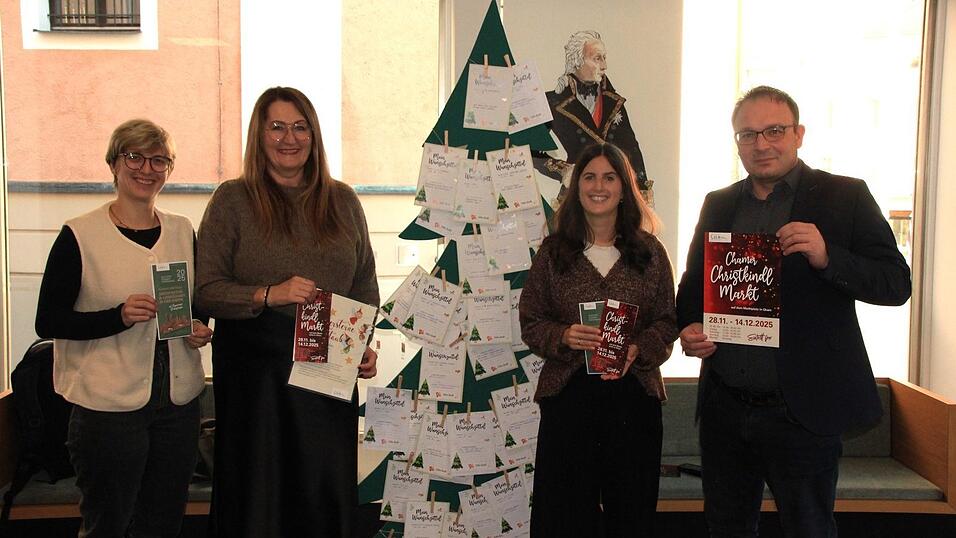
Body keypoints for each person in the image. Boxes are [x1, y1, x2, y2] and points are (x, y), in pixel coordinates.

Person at [675, 86, 911, 537]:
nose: (761, 144)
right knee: (725, 527)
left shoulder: (846, 196)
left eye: (774, 131)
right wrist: (689, 326)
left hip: (803, 413)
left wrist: (828, 257)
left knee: (809, 529)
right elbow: (691, 286)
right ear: (737, 142)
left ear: (798, 134)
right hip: (726, 409)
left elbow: (896, 284)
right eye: (748, 134)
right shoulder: (718, 203)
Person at [196, 86, 379, 537]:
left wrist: (362, 346)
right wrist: (266, 295)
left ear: (313, 137)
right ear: (259, 135)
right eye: (276, 127)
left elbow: (364, 289)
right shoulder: (232, 200)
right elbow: (205, 290)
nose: (288, 138)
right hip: (256, 380)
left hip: (327, 373)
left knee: (323, 492)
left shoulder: (343, 201)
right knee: (261, 499)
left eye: (300, 127)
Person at [35, 119, 213, 538]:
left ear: (169, 170)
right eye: (134, 157)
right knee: (107, 525)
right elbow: (49, 321)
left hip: (178, 405)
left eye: (159, 160)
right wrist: (115, 316)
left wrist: (200, 326)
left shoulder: (182, 230)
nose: (146, 169)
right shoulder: (79, 235)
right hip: (107, 413)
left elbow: (199, 302)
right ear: (114, 164)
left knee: (163, 523)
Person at [519, 142, 677, 537]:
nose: (598, 186)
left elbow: (667, 322)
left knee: (632, 513)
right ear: (577, 188)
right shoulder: (553, 252)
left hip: (634, 398)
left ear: (625, 188)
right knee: (564, 516)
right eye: (589, 177)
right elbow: (531, 322)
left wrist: (640, 348)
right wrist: (564, 335)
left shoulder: (650, 252)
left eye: (609, 177)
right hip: (569, 399)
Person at [535, 30, 653, 202]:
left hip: (615, 198)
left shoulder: (615, 103)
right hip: (576, 196)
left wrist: (643, 197)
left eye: (604, 58)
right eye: (597, 58)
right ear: (577, 61)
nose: (604, 66)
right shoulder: (552, 103)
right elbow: (528, 149)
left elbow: (633, 151)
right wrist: (563, 170)